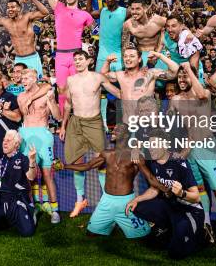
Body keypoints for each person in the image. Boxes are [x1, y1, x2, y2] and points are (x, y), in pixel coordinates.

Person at [169, 62, 216, 248]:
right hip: (189, 151)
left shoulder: (204, 94)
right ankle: (206, 226)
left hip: (206, 147)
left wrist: (189, 69)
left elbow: (202, 94)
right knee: (200, 189)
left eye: (185, 75)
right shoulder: (176, 100)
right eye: (179, 76)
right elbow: (170, 125)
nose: (181, 79)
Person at [58, 127, 151, 240]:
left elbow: (147, 162)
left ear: (126, 136)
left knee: (144, 236)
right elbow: (88, 166)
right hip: (106, 201)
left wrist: (138, 149)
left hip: (126, 202)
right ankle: (112, 221)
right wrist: (65, 166)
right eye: (114, 129)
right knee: (91, 234)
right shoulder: (107, 153)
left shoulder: (134, 155)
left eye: (118, 130)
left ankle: (130, 221)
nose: (113, 131)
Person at [59, 50, 121, 217]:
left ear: (89, 61)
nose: (77, 62)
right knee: (76, 160)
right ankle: (80, 200)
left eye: (80, 59)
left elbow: (118, 93)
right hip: (76, 122)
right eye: (75, 60)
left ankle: (105, 201)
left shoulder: (97, 77)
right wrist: (63, 126)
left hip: (94, 122)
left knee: (100, 160)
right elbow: (67, 106)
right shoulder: (70, 80)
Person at [127, 131, 205, 260]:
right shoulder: (153, 162)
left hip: (189, 210)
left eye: (154, 144)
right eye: (149, 144)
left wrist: (181, 193)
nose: (151, 148)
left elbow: (196, 197)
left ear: (165, 144)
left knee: (176, 253)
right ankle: (167, 227)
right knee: (139, 207)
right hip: (170, 206)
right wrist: (136, 199)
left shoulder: (179, 162)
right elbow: (154, 189)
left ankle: (202, 234)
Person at [41, 0, 94, 115]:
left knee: (79, 89)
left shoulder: (84, 14)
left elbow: (97, 31)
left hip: (77, 55)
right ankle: (65, 121)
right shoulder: (59, 8)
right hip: (61, 56)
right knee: (62, 89)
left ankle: (81, 117)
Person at [17, 69, 61, 223]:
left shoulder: (47, 93)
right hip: (26, 135)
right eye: (22, 78)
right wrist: (34, 96)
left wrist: (52, 101)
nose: (24, 80)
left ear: (35, 78)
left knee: (47, 173)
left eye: (27, 77)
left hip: (43, 133)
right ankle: (34, 205)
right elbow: (24, 110)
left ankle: (54, 209)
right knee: (30, 174)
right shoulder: (21, 96)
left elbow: (58, 116)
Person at [0, 130, 38, 237]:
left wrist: (32, 161)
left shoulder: (23, 159)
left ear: (16, 144)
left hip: (16, 198)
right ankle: (5, 217)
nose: (4, 142)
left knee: (27, 232)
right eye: (4, 140)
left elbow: (31, 177)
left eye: (8, 140)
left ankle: (32, 212)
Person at [102, 48, 178, 123]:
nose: (127, 58)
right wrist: (107, 62)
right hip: (128, 124)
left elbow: (175, 72)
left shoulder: (150, 74)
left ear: (139, 59)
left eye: (132, 56)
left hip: (148, 124)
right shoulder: (120, 75)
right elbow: (102, 77)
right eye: (125, 56)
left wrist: (160, 56)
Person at [0, 0, 49, 77]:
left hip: (32, 58)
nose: (10, 9)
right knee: (20, 85)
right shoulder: (5, 21)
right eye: (8, 7)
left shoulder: (27, 17)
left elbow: (45, 12)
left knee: (36, 83)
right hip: (18, 59)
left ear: (19, 8)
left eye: (12, 7)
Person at [85, 0, 127, 72]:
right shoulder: (102, 11)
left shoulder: (125, 12)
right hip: (102, 55)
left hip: (117, 54)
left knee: (117, 81)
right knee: (100, 80)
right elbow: (89, 13)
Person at [121, 0, 167, 69]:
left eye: (137, 9)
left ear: (145, 9)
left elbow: (176, 28)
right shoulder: (128, 24)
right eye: (132, 9)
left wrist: (188, 33)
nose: (134, 12)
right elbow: (124, 45)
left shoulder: (159, 20)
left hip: (159, 54)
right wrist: (125, 63)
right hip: (141, 56)